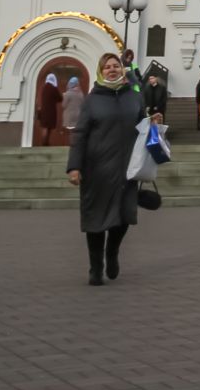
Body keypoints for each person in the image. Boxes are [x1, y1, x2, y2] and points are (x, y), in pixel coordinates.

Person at [66, 50, 156, 287]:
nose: (112, 69)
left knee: (124, 215)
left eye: (116, 65)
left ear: (122, 69)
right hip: (97, 170)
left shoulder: (134, 97)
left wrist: (153, 124)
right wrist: (74, 167)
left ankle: (112, 252)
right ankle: (95, 268)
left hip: (127, 168)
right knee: (96, 220)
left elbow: (142, 125)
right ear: (101, 71)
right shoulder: (92, 100)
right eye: (107, 67)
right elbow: (80, 134)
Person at [36, 73, 62, 146]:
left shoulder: (43, 87)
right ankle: (45, 143)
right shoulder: (53, 88)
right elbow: (60, 98)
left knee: (45, 127)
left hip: (43, 111)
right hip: (50, 111)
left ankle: (45, 142)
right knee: (48, 127)